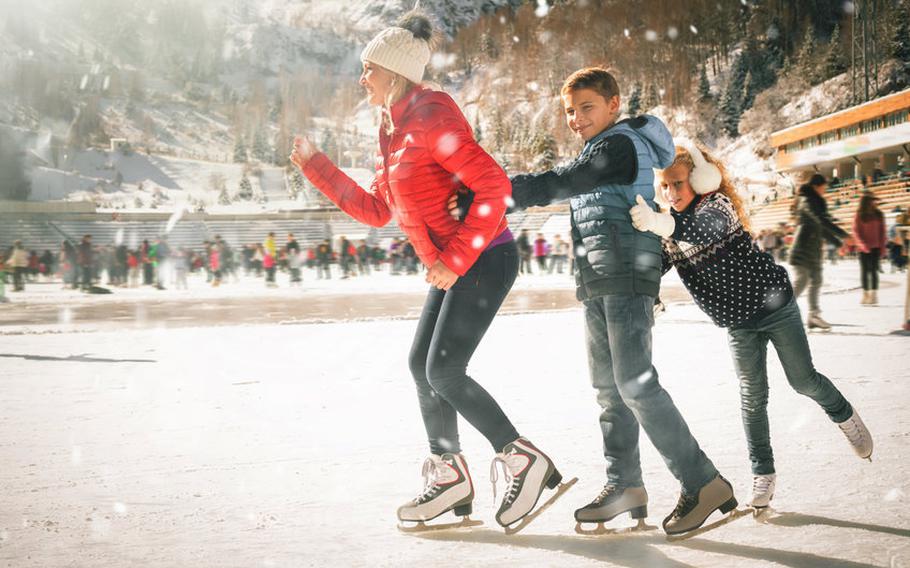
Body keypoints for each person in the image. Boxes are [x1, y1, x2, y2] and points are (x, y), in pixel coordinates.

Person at [290, 12, 565, 530]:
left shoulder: (432, 116)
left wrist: (454, 259)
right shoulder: (393, 130)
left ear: (395, 73)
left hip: (485, 255)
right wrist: (316, 167)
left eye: (369, 68)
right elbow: (377, 210)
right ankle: (451, 477)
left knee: (443, 370)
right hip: (455, 263)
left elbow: (494, 190)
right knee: (423, 366)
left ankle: (524, 459)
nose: (362, 78)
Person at [453, 66, 735, 536]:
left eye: (586, 107)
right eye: (569, 111)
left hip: (625, 275)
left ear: (613, 104)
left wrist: (493, 195)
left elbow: (565, 180)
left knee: (635, 385)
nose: (576, 118)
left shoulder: (620, 145)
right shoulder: (602, 146)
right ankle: (624, 484)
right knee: (609, 390)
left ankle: (702, 481)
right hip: (601, 279)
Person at [631, 141, 873, 509]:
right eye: (664, 186)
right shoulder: (667, 228)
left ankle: (845, 416)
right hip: (737, 323)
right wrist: (646, 293)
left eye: (678, 183)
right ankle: (762, 474)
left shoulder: (717, 207)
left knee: (802, 380)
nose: (671, 192)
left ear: (699, 179)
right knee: (752, 398)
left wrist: (660, 223)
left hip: (775, 306)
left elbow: (700, 230)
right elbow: (654, 265)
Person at [789, 174, 847, 330]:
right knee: (802, 281)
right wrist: (844, 235)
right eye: (823, 186)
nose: (825, 189)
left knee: (816, 281)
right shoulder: (807, 202)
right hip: (802, 249)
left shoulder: (816, 202)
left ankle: (814, 316)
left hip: (813, 251)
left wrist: (838, 242)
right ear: (816, 186)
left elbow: (820, 228)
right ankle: (780, 313)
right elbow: (820, 221)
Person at [852, 191, 887, 306]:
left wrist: (883, 247)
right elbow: (856, 232)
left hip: (875, 247)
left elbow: (883, 232)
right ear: (866, 201)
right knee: (864, 272)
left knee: (874, 271)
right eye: (872, 200)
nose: (874, 202)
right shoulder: (859, 215)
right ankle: (865, 294)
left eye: (874, 200)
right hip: (863, 249)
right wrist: (862, 245)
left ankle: (874, 295)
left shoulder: (879, 214)